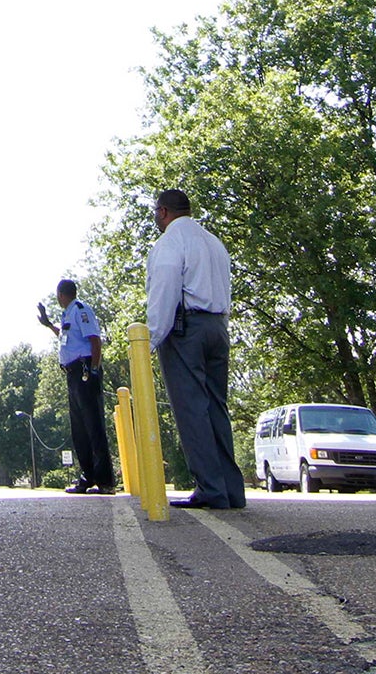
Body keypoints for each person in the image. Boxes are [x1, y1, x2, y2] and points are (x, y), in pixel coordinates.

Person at [145, 188, 244, 510]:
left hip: (186, 329)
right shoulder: (213, 242)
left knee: (192, 410)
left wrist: (150, 339)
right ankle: (231, 490)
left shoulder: (171, 243)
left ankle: (210, 489)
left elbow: (165, 292)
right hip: (217, 326)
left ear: (162, 212)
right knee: (216, 407)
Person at [38, 279, 115, 494]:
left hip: (84, 370)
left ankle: (105, 481)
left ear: (62, 294)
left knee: (94, 426)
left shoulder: (81, 310)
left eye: (57, 294)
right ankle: (88, 476)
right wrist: (48, 324)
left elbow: (95, 341)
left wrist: (93, 370)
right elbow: (65, 338)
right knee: (79, 428)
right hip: (72, 373)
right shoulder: (67, 315)